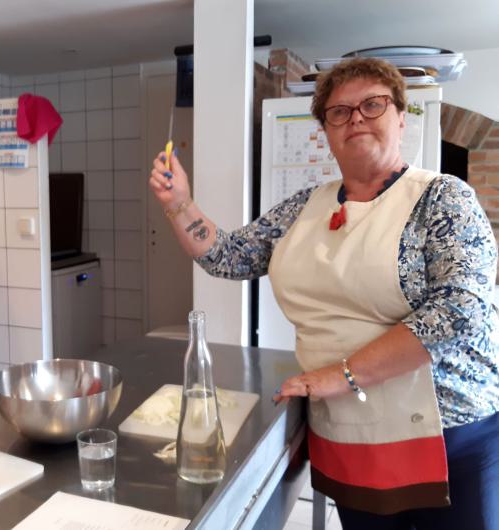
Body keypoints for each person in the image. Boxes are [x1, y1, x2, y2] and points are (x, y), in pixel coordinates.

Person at [150, 57, 499, 529]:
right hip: (350, 433)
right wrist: (180, 205)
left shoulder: (443, 198)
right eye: (339, 111)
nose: (355, 117)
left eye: (372, 105)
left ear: (401, 117)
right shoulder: (306, 206)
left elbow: (460, 313)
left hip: (449, 436)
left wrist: (340, 375)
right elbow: (228, 255)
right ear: (326, 131)